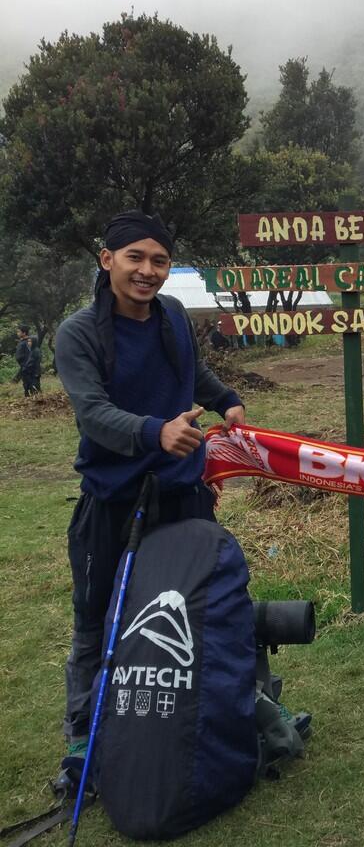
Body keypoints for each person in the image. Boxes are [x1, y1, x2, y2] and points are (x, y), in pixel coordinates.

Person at [55, 210, 246, 785]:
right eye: (134, 258)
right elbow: (93, 413)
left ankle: (229, 713)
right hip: (112, 500)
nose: (147, 271)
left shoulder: (172, 315)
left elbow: (192, 374)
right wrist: (154, 430)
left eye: (158, 260)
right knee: (97, 622)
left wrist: (226, 399)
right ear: (106, 260)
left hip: (182, 493)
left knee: (200, 609)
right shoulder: (79, 333)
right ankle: (83, 742)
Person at [14, 325, 41, 396]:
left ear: (24, 333)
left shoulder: (28, 343)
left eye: (19, 332)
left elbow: (30, 357)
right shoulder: (22, 342)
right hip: (25, 368)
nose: (17, 333)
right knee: (26, 387)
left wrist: (25, 366)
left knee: (33, 387)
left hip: (29, 369)